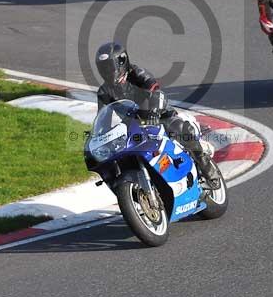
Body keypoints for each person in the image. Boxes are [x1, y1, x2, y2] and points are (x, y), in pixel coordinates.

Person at [95, 42, 221, 189]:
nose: (108, 71)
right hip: (133, 125)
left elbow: (155, 89)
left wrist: (154, 111)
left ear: (121, 62)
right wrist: (99, 136)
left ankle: (206, 166)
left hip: (160, 115)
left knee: (182, 130)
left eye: (110, 66)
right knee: (116, 157)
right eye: (103, 68)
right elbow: (102, 117)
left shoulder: (136, 73)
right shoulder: (104, 91)